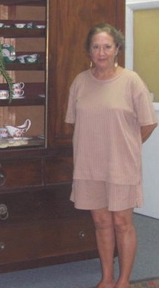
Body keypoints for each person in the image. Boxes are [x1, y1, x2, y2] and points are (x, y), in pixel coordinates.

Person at [65, 23, 158, 288]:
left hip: (121, 167)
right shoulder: (80, 82)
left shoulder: (131, 81)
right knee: (101, 222)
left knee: (122, 223)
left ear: (117, 49)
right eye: (96, 47)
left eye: (107, 46)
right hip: (89, 166)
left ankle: (124, 281)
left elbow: (149, 123)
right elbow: (73, 121)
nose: (101, 52)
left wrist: (126, 146)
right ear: (89, 51)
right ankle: (106, 278)